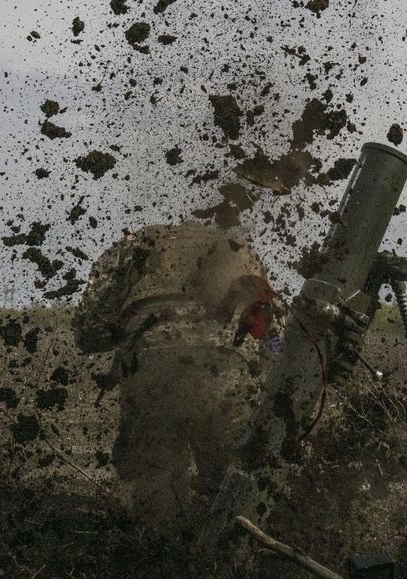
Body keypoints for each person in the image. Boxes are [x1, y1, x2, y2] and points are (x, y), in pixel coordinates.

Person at [71, 221, 283, 532]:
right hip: (228, 367)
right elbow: (275, 338)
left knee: (153, 488)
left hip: (153, 362)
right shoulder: (238, 247)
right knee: (239, 484)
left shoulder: (137, 244)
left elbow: (88, 329)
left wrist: (121, 333)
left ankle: (160, 549)